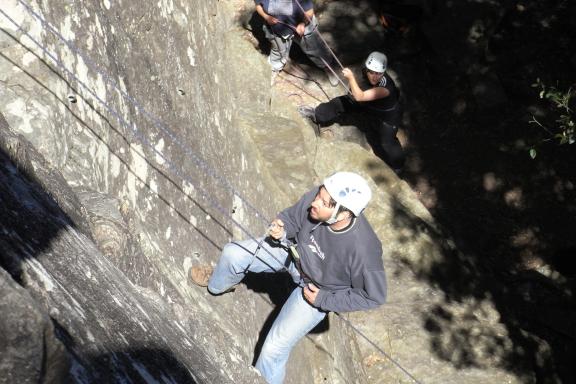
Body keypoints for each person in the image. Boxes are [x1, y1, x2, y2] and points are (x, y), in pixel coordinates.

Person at [190, 172, 387, 384]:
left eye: (323, 202)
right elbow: (293, 217)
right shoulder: (321, 198)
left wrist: (323, 300)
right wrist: (283, 226)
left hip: (314, 291)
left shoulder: (364, 250)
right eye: (318, 195)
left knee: (272, 351)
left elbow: (373, 296)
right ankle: (219, 285)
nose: (314, 202)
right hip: (293, 256)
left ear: (342, 214)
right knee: (232, 254)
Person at [298, 51, 405, 173]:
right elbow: (358, 92)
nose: (374, 76)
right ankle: (317, 114)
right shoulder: (365, 73)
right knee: (341, 102)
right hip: (369, 103)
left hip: (387, 116)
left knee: (387, 142)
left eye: (378, 73)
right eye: (371, 72)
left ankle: (398, 166)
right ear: (367, 68)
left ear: (383, 72)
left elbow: (360, 96)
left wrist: (351, 78)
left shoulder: (386, 88)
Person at [255, 0, 339, 86]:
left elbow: (309, 12)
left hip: (302, 24)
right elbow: (258, 6)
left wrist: (303, 23)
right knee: (278, 51)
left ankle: (327, 66)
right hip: (278, 29)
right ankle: (274, 68)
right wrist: (266, 16)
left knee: (315, 48)